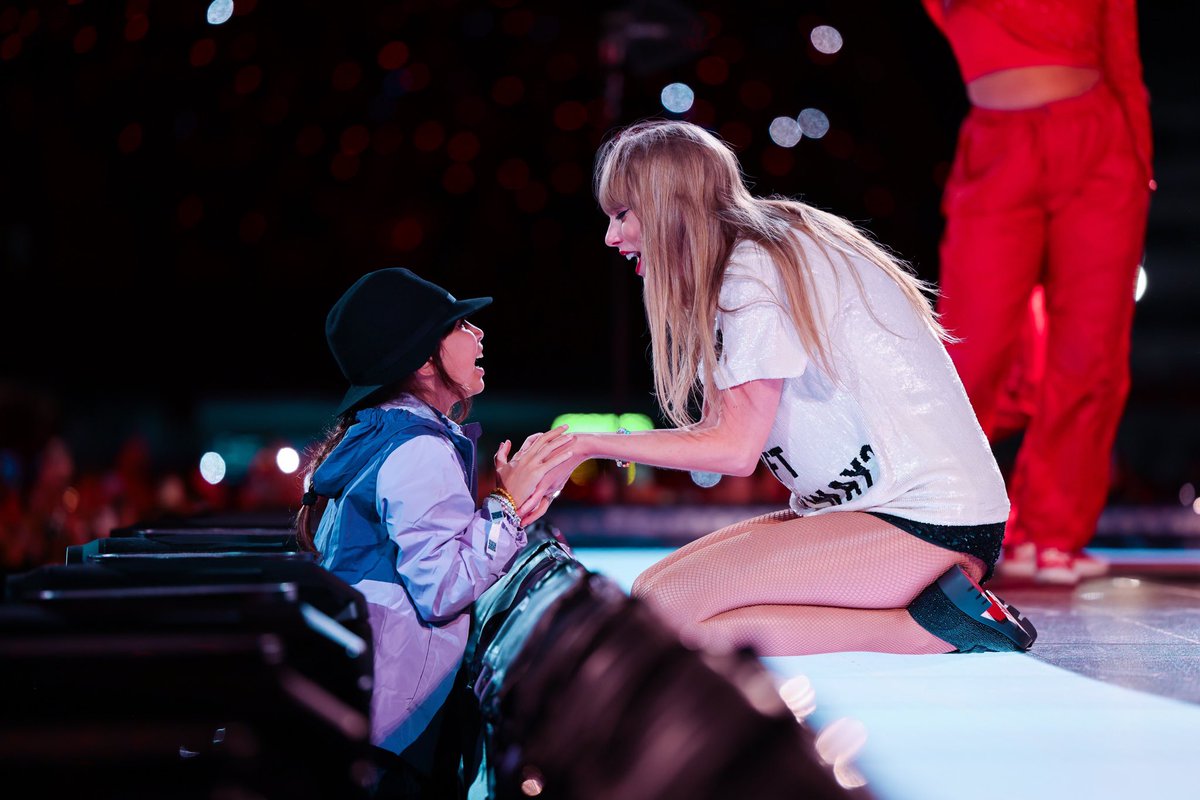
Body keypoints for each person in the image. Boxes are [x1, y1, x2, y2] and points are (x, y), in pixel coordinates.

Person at [539, 119, 1037, 658]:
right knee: (651, 600)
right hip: (881, 517)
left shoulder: (751, 269)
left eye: (622, 215)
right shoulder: (752, 253)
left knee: (662, 609)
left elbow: (733, 451)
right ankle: (932, 612)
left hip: (929, 524)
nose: (611, 237)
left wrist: (585, 443)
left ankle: (931, 627)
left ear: (665, 202)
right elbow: (717, 446)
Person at [295, 267, 574, 799]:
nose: (478, 333)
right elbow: (442, 588)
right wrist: (507, 505)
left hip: (370, 710)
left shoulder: (382, 434)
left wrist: (512, 510)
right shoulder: (418, 450)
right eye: (459, 325)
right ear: (423, 361)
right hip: (398, 729)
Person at [920, 0, 1154, 584]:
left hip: (1101, 148)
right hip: (998, 148)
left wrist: (1138, 163)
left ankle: (1051, 537)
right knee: (970, 350)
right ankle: (931, 524)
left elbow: (1122, 56)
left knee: (1090, 354)